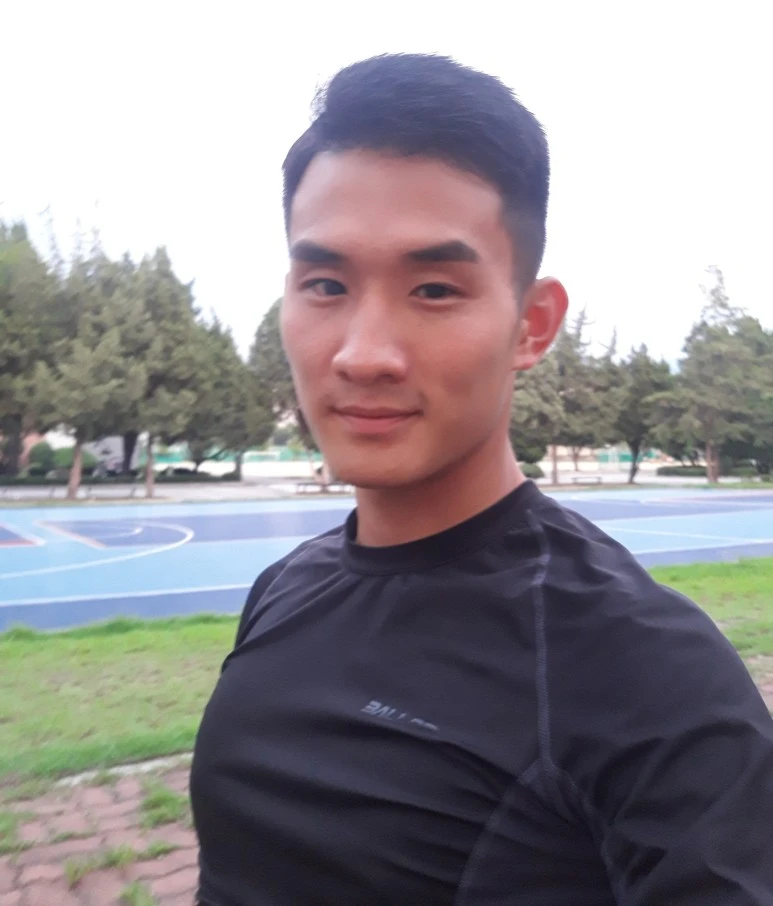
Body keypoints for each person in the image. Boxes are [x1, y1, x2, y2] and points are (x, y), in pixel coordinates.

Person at [190, 54, 773, 905]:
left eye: (433, 289)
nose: (362, 354)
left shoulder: (647, 672)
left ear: (531, 325)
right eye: (325, 284)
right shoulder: (285, 586)